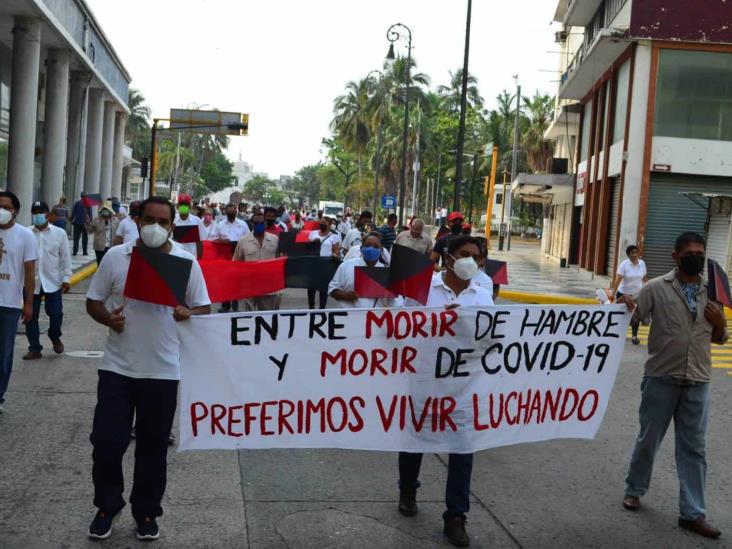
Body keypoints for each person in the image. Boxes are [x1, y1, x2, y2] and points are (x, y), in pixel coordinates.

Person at [85, 196, 211, 541]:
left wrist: (189, 313)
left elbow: (203, 307)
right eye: (150, 219)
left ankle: (146, 513)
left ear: (172, 225)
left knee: (153, 449)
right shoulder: (116, 257)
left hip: (163, 372)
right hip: (117, 369)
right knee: (107, 443)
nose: (156, 226)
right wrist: (110, 319)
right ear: (138, 220)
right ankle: (107, 506)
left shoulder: (185, 262)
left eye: (164, 221)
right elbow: (92, 301)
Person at [620, 232, 726, 540]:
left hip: (698, 379)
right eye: (689, 253)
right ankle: (634, 490)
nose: (696, 257)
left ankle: (693, 513)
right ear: (675, 257)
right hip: (661, 377)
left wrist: (720, 323)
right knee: (648, 439)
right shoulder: (655, 288)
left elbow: (721, 338)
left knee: (694, 448)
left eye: (700, 252)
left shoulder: (713, 291)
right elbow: (632, 316)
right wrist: (622, 303)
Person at [397, 236, 492, 547]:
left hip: (465, 384)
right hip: (424, 379)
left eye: (475, 257)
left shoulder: (483, 291)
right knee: (415, 439)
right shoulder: (424, 287)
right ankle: (408, 489)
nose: (469, 261)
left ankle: (456, 516)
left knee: (463, 448)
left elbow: (489, 337)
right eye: (463, 254)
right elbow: (403, 329)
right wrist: (437, 322)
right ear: (449, 257)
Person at [0, 191, 37, 412]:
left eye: (6, 207)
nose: (2, 211)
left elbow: (29, 273)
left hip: (10, 303)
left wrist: (29, 303)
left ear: (15, 210)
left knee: (4, 353)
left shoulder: (25, 236)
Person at [24, 201, 71, 360]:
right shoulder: (26, 233)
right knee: (31, 316)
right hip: (32, 282)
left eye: (41, 211)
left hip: (53, 281)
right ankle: (34, 348)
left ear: (47, 214)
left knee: (56, 313)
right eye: (34, 212)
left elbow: (65, 258)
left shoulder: (59, 233)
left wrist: (66, 278)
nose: (37, 215)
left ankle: (54, 335)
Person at [329, 232, 391, 308]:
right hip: (349, 317)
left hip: (375, 318)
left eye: (375, 246)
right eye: (368, 245)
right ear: (361, 249)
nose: (371, 249)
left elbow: (395, 302)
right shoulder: (347, 265)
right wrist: (345, 295)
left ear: (381, 250)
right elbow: (332, 289)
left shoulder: (387, 273)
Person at [233, 212, 281, 311]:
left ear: (266, 224)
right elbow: (236, 263)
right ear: (252, 224)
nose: (259, 225)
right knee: (247, 319)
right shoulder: (243, 241)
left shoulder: (275, 240)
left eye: (262, 223)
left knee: (267, 319)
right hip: (248, 287)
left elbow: (280, 261)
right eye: (256, 223)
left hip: (268, 287)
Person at [214, 203, 251, 313]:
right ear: (225, 212)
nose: (231, 213)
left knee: (236, 280)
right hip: (224, 257)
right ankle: (225, 303)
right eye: (228, 211)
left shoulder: (243, 224)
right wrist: (221, 242)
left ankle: (235, 301)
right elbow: (214, 240)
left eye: (232, 211)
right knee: (225, 281)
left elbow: (248, 239)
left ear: (236, 211)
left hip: (238, 255)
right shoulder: (220, 225)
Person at [612, 245, 648, 345]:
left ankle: (634, 336)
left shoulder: (642, 263)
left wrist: (647, 289)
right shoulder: (624, 264)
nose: (635, 254)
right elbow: (618, 279)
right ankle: (616, 334)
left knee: (636, 316)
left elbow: (644, 278)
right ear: (628, 254)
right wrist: (613, 293)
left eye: (636, 252)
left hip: (637, 295)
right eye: (632, 253)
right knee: (621, 316)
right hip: (623, 294)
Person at [307, 217, 341, 309]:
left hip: (326, 265)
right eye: (321, 222)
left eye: (324, 222)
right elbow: (307, 248)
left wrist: (334, 255)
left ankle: (322, 308)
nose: (322, 223)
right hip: (313, 264)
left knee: (323, 288)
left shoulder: (334, 236)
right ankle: (311, 307)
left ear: (329, 225)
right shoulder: (313, 233)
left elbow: (336, 251)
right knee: (311, 287)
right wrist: (313, 243)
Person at [173, 193, 203, 259]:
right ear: (177, 206)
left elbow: (199, 241)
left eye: (185, 204)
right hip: (175, 256)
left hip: (191, 257)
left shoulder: (197, 221)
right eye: (181, 204)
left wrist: (199, 258)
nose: (183, 206)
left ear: (190, 206)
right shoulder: (172, 220)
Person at [91, 201, 119, 266]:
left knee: (108, 264)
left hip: (110, 246)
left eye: (107, 209)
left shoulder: (115, 220)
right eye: (104, 209)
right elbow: (90, 230)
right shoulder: (97, 219)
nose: (106, 211)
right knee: (100, 264)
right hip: (99, 246)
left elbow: (118, 232)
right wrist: (87, 223)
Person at [71, 192, 92, 256]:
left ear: (81, 196)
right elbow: (90, 214)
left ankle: (75, 252)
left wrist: (72, 219)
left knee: (76, 238)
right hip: (85, 223)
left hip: (77, 223)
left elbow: (73, 213)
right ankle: (85, 252)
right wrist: (90, 221)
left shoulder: (77, 203)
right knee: (85, 238)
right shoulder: (88, 204)